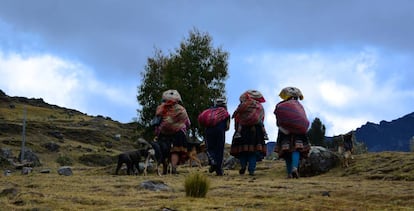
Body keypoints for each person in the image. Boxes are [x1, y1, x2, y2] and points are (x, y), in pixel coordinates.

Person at [274, 87, 310, 179]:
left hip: (284, 132)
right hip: (298, 132)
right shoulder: (299, 106)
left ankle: (289, 173)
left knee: (286, 152)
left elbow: (278, 120)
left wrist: (283, 127)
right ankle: (295, 168)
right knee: (296, 150)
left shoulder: (281, 105)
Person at [230, 90, 267, 176]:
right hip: (256, 131)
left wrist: (237, 130)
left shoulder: (243, 106)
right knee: (253, 152)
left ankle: (243, 166)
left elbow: (237, 117)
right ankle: (251, 170)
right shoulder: (259, 107)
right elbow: (261, 119)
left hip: (242, 130)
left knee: (243, 151)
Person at [154, 89, 190, 174]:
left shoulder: (160, 108)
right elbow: (188, 122)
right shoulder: (181, 109)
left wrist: (157, 131)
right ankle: (173, 168)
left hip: (163, 133)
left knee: (164, 150)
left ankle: (164, 169)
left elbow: (157, 121)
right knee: (175, 150)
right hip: (178, 133)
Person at [199, 98, 230, 176]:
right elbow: (227, 127)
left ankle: (212, 161)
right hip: (220, 131)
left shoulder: (209, 111)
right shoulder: (225, 113)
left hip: (208, 131)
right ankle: (219, 170)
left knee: (210, 148)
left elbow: (202, 120)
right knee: (219, 149)